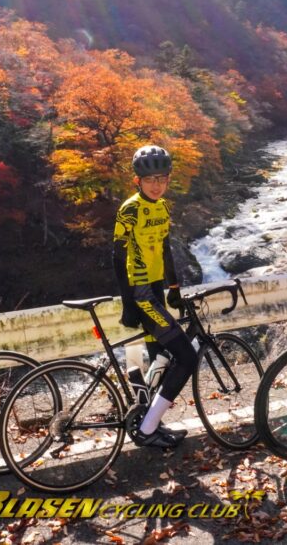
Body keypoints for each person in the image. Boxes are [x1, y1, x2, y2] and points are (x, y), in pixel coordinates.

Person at [112, 145, 195, 449]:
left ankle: (150, 419)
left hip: (158, 288)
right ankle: (147, 430)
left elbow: (165, 249)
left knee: (160, 356)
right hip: (141, 291)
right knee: (187, 357)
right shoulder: (130, 208)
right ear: (138, 181)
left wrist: (173, 289)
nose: (156, 185)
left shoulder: (161, 207)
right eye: (149, 180)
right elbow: (118, 258)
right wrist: (128, 303)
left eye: (161, 178)